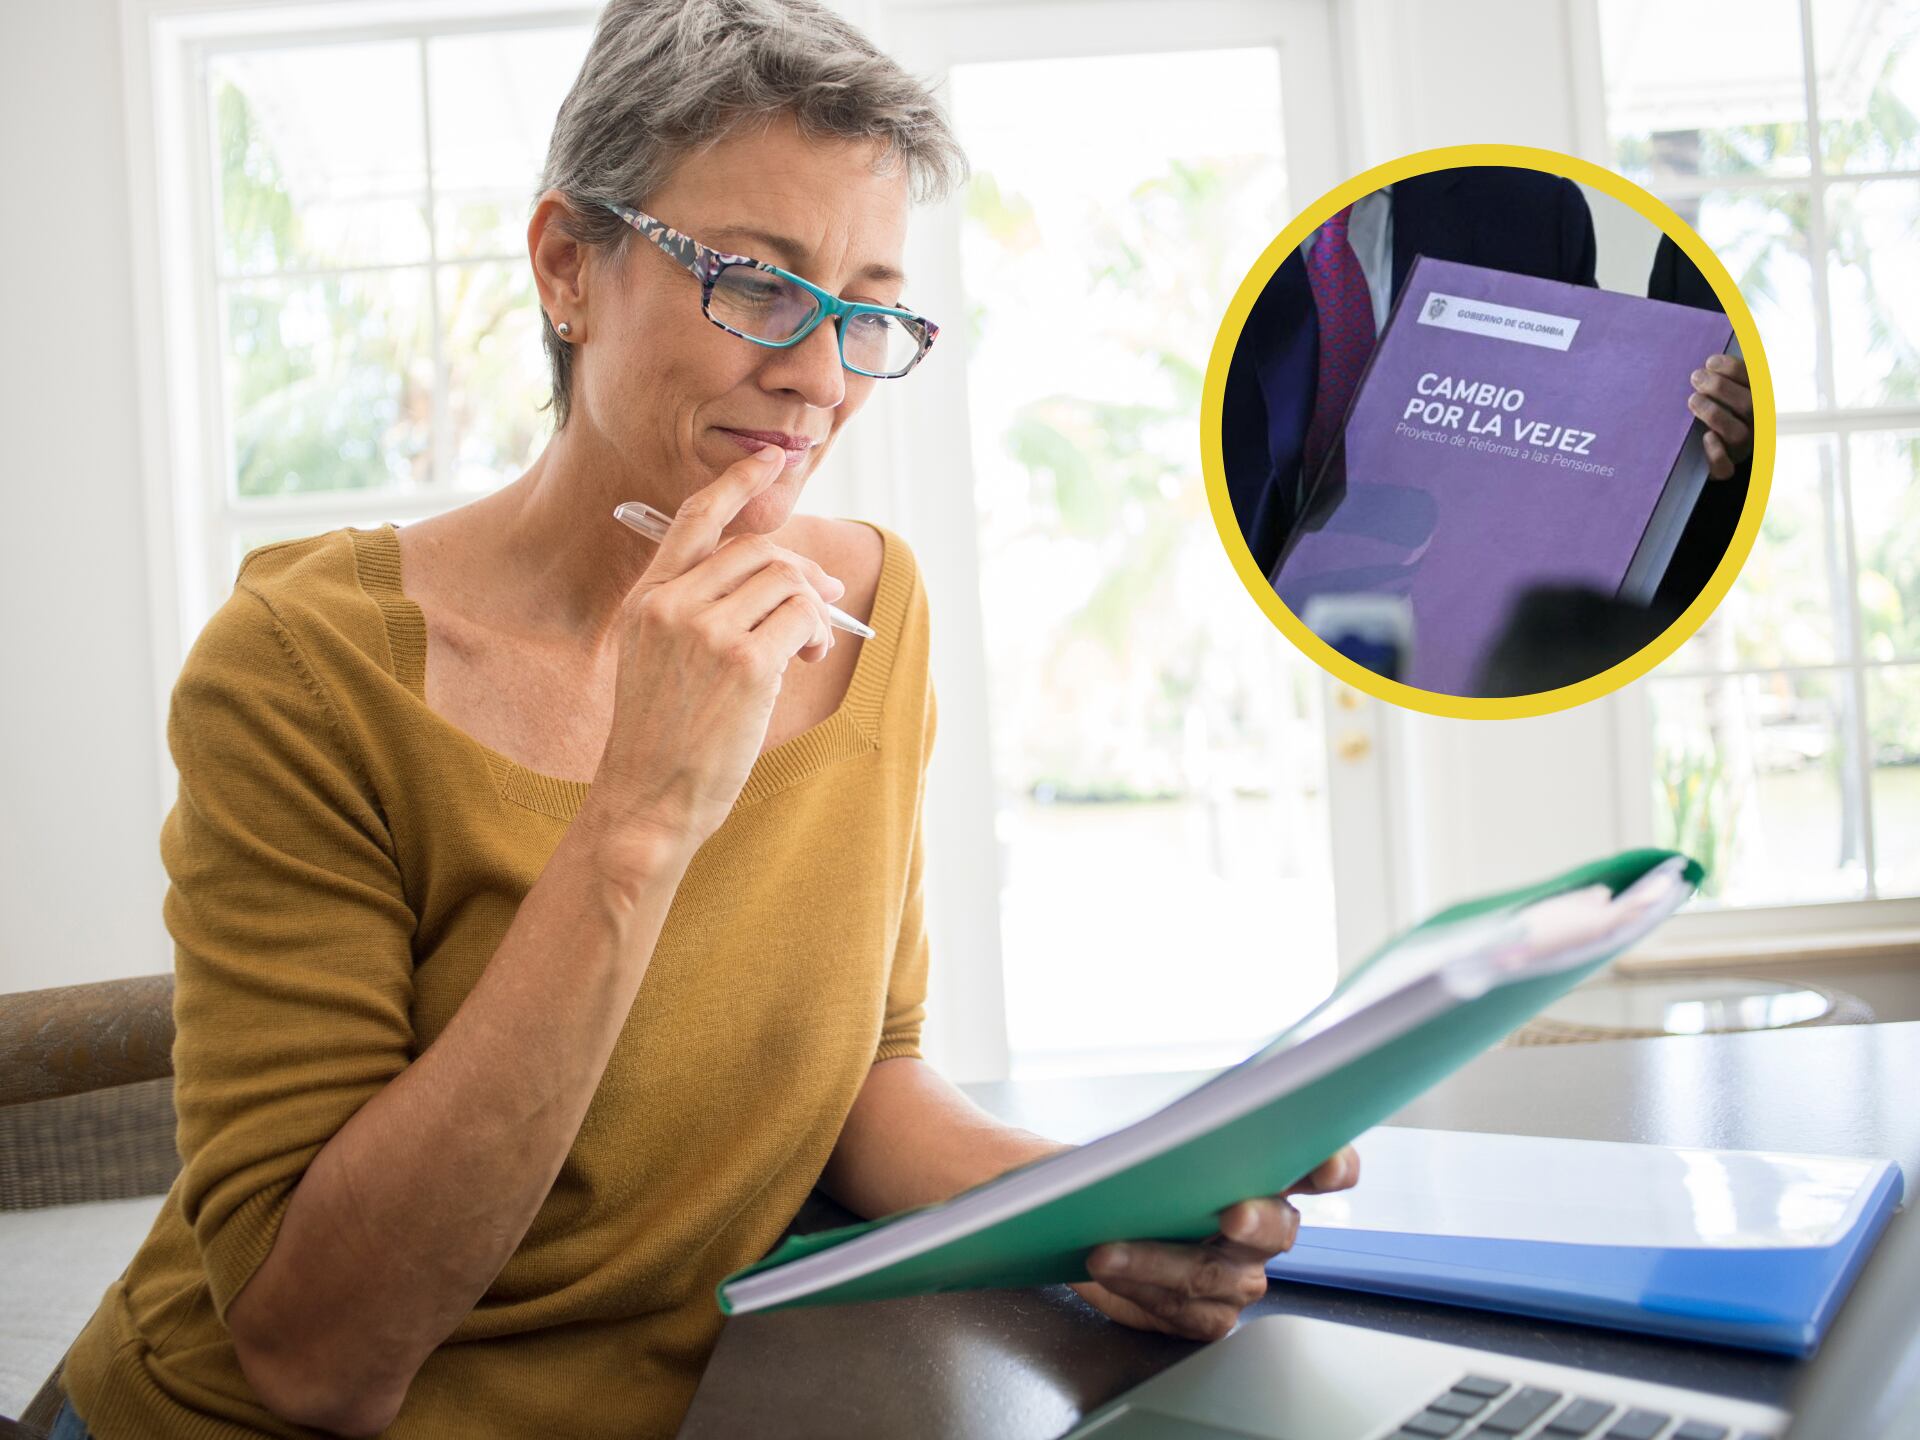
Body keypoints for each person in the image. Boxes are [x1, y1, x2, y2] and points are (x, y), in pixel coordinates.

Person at [52, 3, 1354, 1437]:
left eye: (869, 309)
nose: (820, 376)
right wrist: (638, 815)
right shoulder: (305, 670)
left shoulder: (871, 612)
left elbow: (860, 1077)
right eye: (761, 287)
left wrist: (1105, 1211)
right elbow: (320, 1360)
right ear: (567, 265)